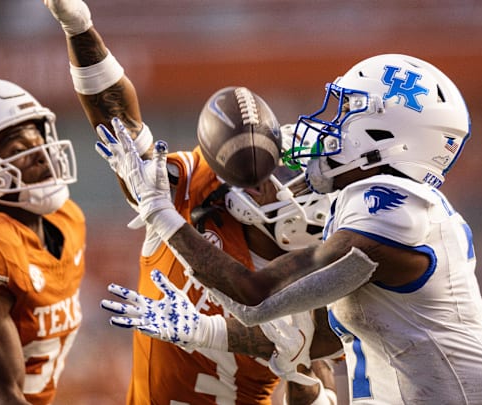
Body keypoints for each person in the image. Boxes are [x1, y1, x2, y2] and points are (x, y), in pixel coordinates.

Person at [104, 53, 482, 404]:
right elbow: (303, 341)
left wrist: (160, 210)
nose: (331, 127)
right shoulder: (376, 210)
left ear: (384, 137)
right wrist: (201, 330)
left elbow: (257, 297)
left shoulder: (389, 205)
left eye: (348, 113)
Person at [43, 1, 340, 404]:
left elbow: (310, 362)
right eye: (287, 172)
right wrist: (80, 30)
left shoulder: (326, 264)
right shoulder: (197, 188)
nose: (296, 184)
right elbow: (122, 131)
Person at [0, 78, 84, 405]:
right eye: (19, 151)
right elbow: (2, 396)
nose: (41, 156)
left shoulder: (68, 220)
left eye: (39, 141)